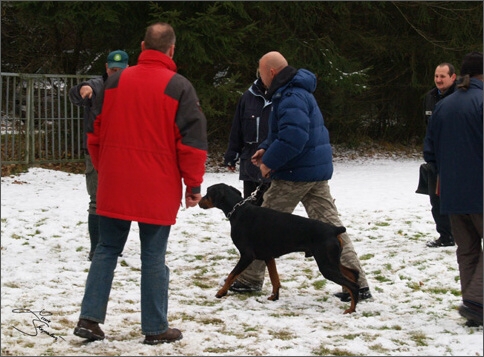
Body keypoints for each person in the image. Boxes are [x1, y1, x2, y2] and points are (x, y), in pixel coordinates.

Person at [73, 22, 208, 344]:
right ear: (171, 50)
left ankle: (89, 319)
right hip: (157, 185)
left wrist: (105, 168)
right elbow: (192, 143)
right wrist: (193, 185)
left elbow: (95, 133)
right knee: (153, 257)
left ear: (142, 45)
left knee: (106, 249)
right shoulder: (179, 86)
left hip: (115, 181)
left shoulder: (115, 81)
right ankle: (155, 328)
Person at [233, 51, 372, 302]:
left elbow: (295, 138)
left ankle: (248, 279)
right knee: (332, 229)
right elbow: (284, 131)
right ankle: (357, 284)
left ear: (272, 72)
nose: (259, 77)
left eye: (260, 72)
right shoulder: (293, 92)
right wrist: (266, 146)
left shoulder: (290, 96)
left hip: (295, 174)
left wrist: (269, 162)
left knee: (261, 227)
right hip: (313, 171)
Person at [423, 52, 483, 327]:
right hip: (479, 190)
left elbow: (429, 150)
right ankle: (476, 301)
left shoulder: (443, 106)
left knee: (467, 250)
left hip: (451, 192)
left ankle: (474, 310)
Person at [69, 49, 129, 261]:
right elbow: (77, 92)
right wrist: (82, 89)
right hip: (96, 152)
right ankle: (96, 249)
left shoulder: (132, 87)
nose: (116, 73)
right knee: (96, 199)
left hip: (123, 152)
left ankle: (116, 245)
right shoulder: (96, 85)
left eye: (120, 70)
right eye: (113, 69)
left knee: (121, 200)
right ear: (106, 67)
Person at [222, 76, 272, 292]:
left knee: (270, 210)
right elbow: (237, 128)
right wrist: (231, 154)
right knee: (248, 210)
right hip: (249, 162)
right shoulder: (248, 97)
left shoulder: (280, 97)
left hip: (272, 161)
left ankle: (268, 247)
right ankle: (248, 249)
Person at [421, 63, 457, 248]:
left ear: (453, 77)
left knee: (458, 198)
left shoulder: (460, 98)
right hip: (435, 157)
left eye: (443, 76)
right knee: (436, 199)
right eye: (436, 76)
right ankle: (445, 236)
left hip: (457, 157)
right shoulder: (430, 97)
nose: (439, 80)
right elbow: (428, 128)